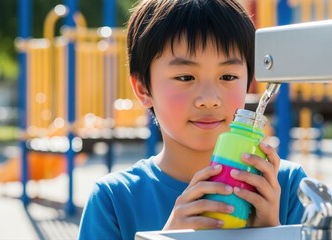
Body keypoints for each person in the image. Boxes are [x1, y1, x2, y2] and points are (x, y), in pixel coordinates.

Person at [78, 0, 307, 239]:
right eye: (186, 77)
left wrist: (272, 231)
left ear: (249, 81)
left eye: (228, 76)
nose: (209, 99)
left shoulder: (288, 188)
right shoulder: (115, 200)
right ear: (143, 89)